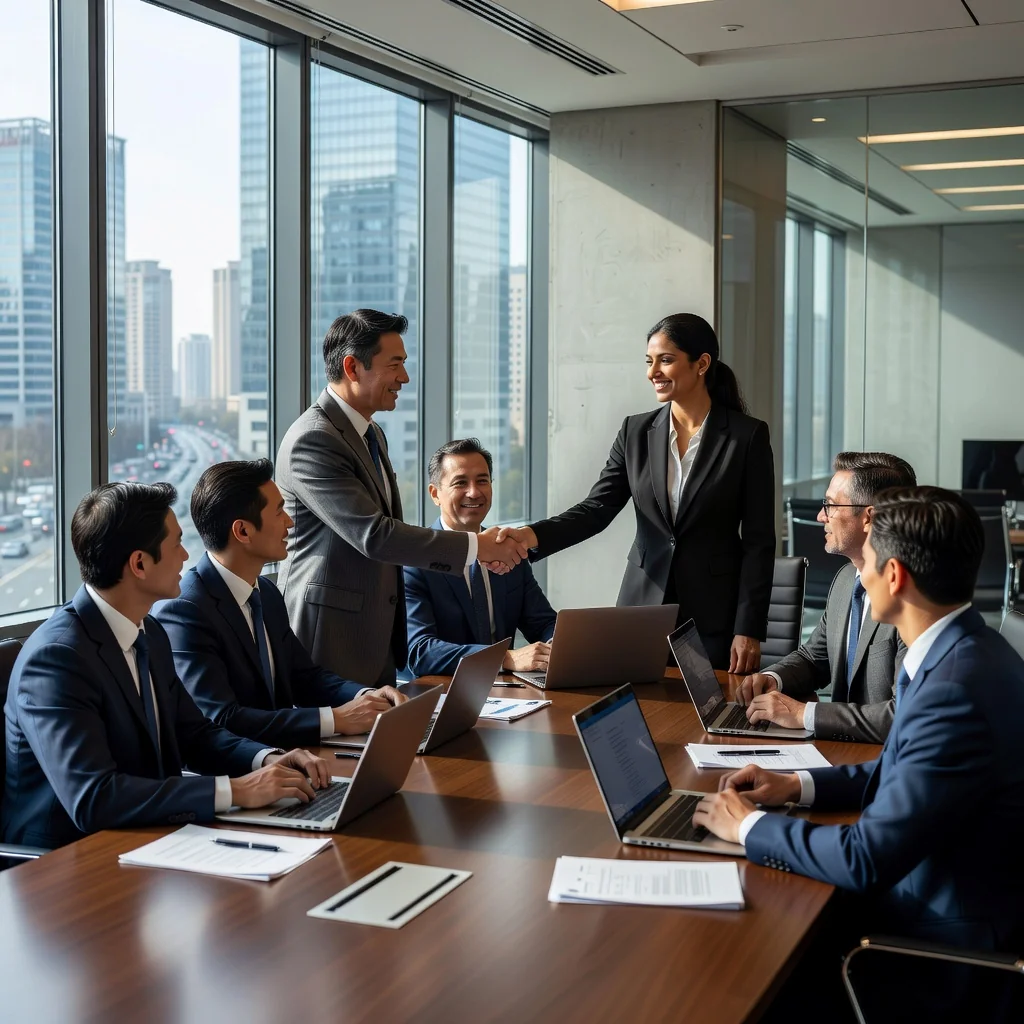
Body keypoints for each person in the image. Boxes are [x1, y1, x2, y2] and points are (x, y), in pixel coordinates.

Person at [693, 487, 1024, 1014]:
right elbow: (901, 768)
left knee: (740, 966)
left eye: (867, 560)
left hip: (942, 950)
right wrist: (797, 785)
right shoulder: (964, 651)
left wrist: (747, 827)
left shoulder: (954, 690)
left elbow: (865, 858)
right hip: (937, 900)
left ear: (894, 576)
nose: (859, 574)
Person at [2, 483, 330, 850]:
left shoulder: (150, 632)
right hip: (64, 863)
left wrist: (268, 759)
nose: (187, 555)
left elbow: (196, 734)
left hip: (151, 836)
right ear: (139, 563)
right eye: (176, 544)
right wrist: (235, 790)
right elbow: (93, 797)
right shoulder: (56, 660)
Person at [499, 313, 775, 672]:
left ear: (702, 363)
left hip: (715, 614)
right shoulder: (636, 432)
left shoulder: (746, 437)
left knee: (707, 720)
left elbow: (759, 541)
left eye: (666, 359)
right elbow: (596, 509)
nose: (652, 372)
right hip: (641, 607)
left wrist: (748, 627)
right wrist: (529, 536)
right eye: (649, 361)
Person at [275, 309, 528, 688]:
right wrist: (477, 547)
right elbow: (375, 535)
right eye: (395, 365)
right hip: (330, 638)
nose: (404, 378)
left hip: (373, 639)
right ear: (352, 367)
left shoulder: (371, 433)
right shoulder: (314, 439)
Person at [155, 460, 405, 750]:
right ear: (243, 531)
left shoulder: (267, 593)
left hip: (290, 757)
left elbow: (305, 677)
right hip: (242, 774)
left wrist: (364, 696)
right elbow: (223, 718)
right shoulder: (186, 610)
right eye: (278, 511)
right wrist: (336, 719)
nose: (289, 521)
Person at [736, 451, 916, 743]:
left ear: (869, 517)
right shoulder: (847, 579)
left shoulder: (910, 600)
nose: (821, 516)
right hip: (838, 746)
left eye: (830, 505)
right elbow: (815, 657)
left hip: (877, 759)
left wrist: (803, 715)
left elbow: (901, 717)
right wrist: (772, 679)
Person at [404, 439, 557, 677]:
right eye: (461, 482)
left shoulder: (507, 549)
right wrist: (504, 658)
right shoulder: (416, 561)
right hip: (443, 694)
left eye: (482, 481)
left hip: (509, 693)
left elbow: (543, 623)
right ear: (435, 494)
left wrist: (558, 645)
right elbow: (421, 652)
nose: (474, 492)